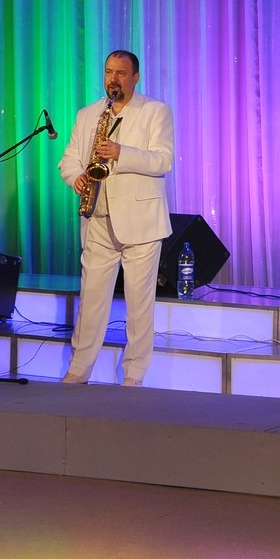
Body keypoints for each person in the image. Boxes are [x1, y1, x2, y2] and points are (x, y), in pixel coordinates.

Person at [59, 50, 174, 386]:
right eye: (109, 72)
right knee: (91, 300)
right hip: (97, 216)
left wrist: (122, 152)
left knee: (139, 304)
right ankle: (79, 369)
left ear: (135, 77)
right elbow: (69, 159)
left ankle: (134, 375)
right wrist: (76, 177)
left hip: (141, 222)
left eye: (121, 73)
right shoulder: (88, 114)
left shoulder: (155, 111)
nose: (113, 79)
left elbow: (163, 161)